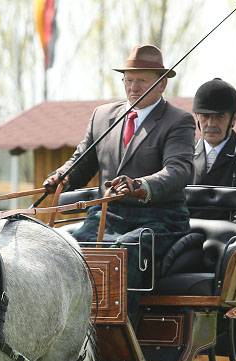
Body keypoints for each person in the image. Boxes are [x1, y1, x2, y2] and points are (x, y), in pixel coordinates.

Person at [43, 44, 194, 326]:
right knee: (68, 248)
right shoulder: (102, 116)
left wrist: (141, 185)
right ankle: (69, 329)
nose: (133, 88)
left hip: (160, 219)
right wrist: (62, 176)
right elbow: (81, 162)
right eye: (128, 80)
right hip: (106, 216)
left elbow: (178, 170)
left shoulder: (178, 121)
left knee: (123, 251)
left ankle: (119, 336)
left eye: (142, 81)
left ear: (162, 84)